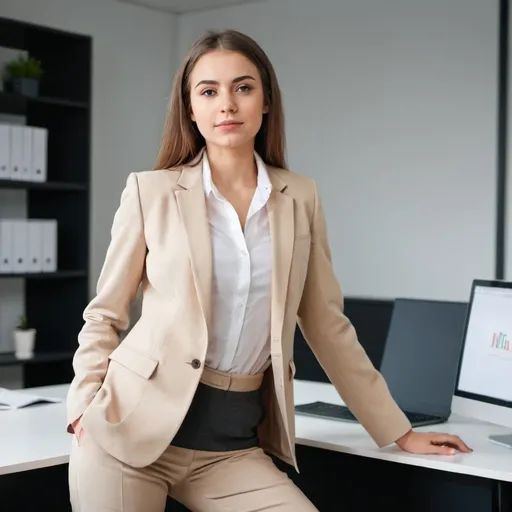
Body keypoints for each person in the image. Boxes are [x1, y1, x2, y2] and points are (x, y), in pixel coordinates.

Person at [66, 29, 472, 512]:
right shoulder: (149, 193)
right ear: (191, 110)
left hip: (230, 449)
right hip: (127, 434)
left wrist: (399, 431)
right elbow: (105, 314)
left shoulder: (300, 198)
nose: (227, 105)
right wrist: (83, 407)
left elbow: (328, 327)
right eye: (209, 91)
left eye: (243, 87)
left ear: (266, 101)